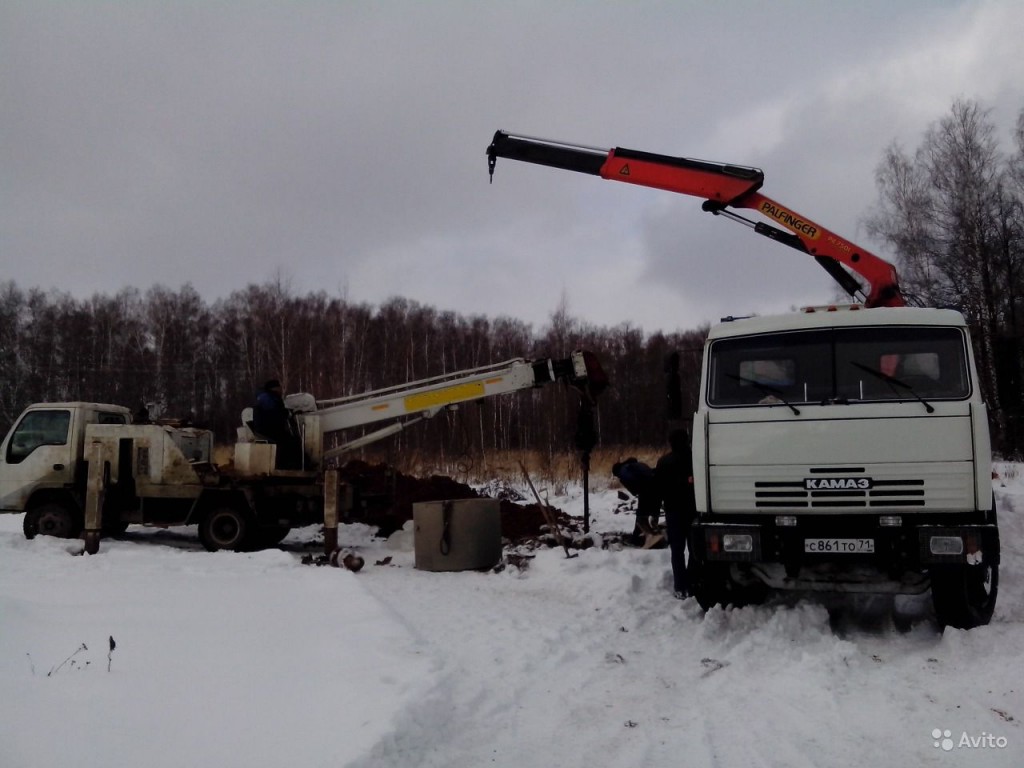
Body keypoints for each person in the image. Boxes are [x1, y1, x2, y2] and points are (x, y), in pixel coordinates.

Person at [655, 429, 697, 599]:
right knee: (695, 551)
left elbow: (657, 488)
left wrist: (655, 512)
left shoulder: (664, 462)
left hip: (673, 511)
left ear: (671, 442)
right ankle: (693, 582)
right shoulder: (696, 459)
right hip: (694, 510)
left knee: (677, 551)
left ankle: (680, 586)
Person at [611, 457, 661, 545]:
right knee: (653, 512)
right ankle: (655, 533)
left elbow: (634, 490)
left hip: (646, 488)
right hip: (657, 485)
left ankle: (638, 538)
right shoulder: (636, 465)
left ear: (616, 472)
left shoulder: (623, 471)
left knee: (641, 515)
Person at [253, 379, 299, 468]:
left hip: (264, 429)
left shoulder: (265, 397)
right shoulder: (268, 398)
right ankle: (289, 465)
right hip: (268, 430)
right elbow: (275, 412)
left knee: (289, 439)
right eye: (279, 388)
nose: (281, 390)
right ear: (275, 388)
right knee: (292, 442)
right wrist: (286, 413)